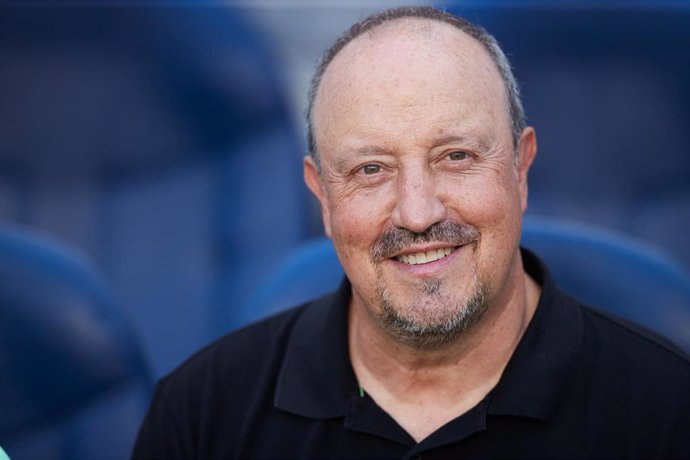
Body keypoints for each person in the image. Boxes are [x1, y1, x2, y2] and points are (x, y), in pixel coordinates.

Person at [132, 6, 690, 459]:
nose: (418, 214)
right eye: (370, 169)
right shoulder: (202, 414)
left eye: (456, 156)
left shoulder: (666, 411)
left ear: (520, 170)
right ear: (322, 197)